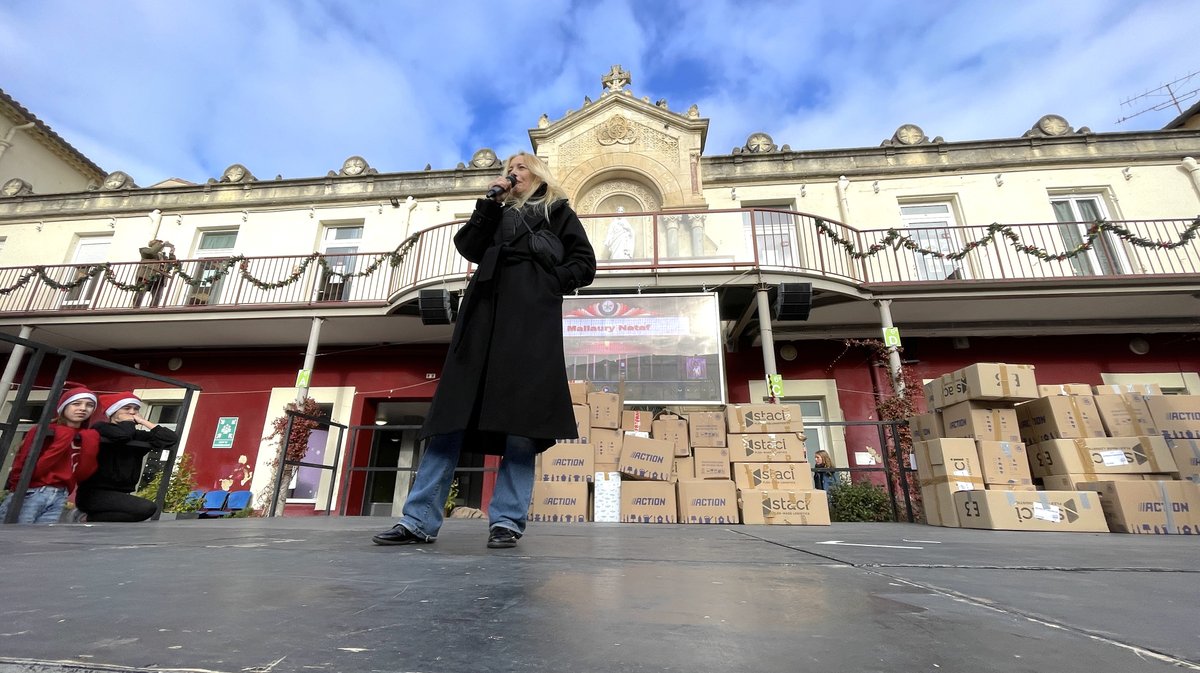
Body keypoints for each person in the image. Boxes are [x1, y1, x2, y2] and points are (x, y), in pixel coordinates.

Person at [373, 151, 596, 549]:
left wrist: (547, 283)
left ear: (539, 175)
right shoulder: (494, 210)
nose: (512, 174)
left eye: (520, 168)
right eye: (508, 170)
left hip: (530, 324)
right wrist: (488, 203)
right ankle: (419, 520)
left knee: (521, 425)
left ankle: (506, 522)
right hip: (482, 319)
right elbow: (469, 246)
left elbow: (585, 262)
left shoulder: (557, 210)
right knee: (451, 418)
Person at [0, 385, 100, 524]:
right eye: (76, 404)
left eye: (89, 405)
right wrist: (18, 490)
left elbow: (83, 473)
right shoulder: (46, 431)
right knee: (14, 538)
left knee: (41, 541)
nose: (83, 408)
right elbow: (24, 465)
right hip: (31, 491)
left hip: (60, 494)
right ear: (64, 407)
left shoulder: (85, 437)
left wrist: (91, 442)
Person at [76, 392, 179, 522]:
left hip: (121, 495)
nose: (132, 412)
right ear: (113, 411)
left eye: (136, 409)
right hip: (95, 493)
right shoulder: (101, 427)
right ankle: (86, 518)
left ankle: (90, 519)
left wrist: (143, 421)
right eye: (126, 408)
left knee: (146, 511)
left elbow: (170, 439)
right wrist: (128, 422)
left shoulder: (137, 435)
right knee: (146, 508)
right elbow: (122, 436)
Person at [135, 239, 176, 307]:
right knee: (140, 293)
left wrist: (171, 253)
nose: (161, 246)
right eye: (158, 244)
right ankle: (135, 308)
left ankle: (152, 310)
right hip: (146, 275)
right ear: (153, 244)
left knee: (157, 297)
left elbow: (170, 264)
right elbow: (152, 252)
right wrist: (163, 244)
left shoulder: (163, 256)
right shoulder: (144, 250)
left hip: (160, 278)